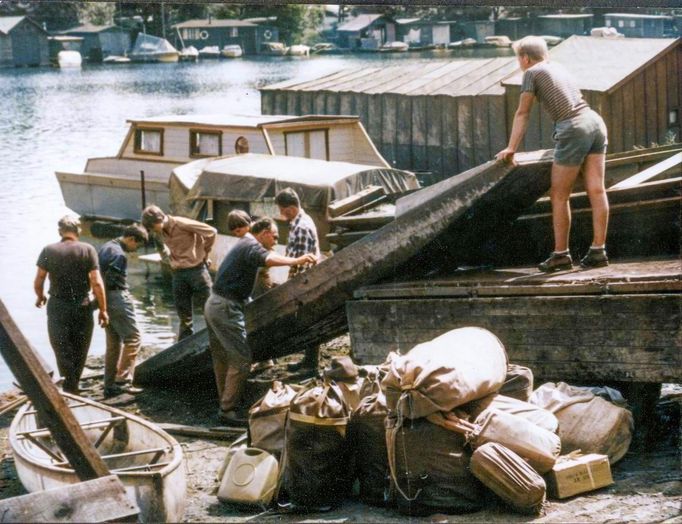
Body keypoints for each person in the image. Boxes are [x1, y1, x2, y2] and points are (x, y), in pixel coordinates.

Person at [496, 35, 610, 272]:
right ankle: (598, 251)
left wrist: (511, 148)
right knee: (597, 190)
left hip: (573, 126)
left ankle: (561, 255)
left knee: (559, 195)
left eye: (519, 59)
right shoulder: (557, 66)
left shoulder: (531, 72)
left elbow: (522, 113)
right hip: (594, 122)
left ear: (525, 58)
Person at [204, 217, 317, 425]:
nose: (275, 241)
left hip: (214, 303)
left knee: (222, 357)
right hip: (225, 307)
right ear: (263, 233)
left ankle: (224, 402)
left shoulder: (244, 243)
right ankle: (227, 409)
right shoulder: (251, 245)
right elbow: (269, 259)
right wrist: (297, 261)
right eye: (274, 237)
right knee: (242, 359)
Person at [34, 215, 108, 394]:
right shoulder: (88, 249)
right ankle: (73, 386)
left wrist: (40, 296)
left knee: (61, 348)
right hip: (82, 305)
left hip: (57, 305)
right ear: (78, 231)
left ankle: (70, 387)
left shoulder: (48, 250)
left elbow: (39, 278)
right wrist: (103, 310)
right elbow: (96, 282)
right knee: (80, 348)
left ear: (60, 231)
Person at [141, 205, 216, 341]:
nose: (152, 231)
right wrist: (168, 259)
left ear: (159, 220)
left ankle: (215, 340)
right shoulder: (160, 231)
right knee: (184, 316)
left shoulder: (182, 223)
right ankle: (185, 345)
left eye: (152, 227)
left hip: (196, 271)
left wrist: (204, 253)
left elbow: (211, 232)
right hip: (178, 273)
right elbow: (161, 247)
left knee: (211, 309)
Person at [98, 225, 148, 398]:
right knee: (133, 338)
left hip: (105, 298)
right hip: (117, 297)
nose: (136, 250)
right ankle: (123, 380)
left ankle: (109, 383)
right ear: (131, 239)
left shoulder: (106, 247)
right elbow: (112, 279)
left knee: (113, 342)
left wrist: (101, 304)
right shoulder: (119, 254)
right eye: (138, 246)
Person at [275, 188, 321, 372]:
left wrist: (291, 287)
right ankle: (308, 360)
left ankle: (310, 363)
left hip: (304, 281)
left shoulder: (301, 227)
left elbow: (301, 264)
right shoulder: (301, 220)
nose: (281, 214)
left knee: (307, 319)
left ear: (292, 208)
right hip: (307, 279)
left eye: (283, 210)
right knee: (307, 319)